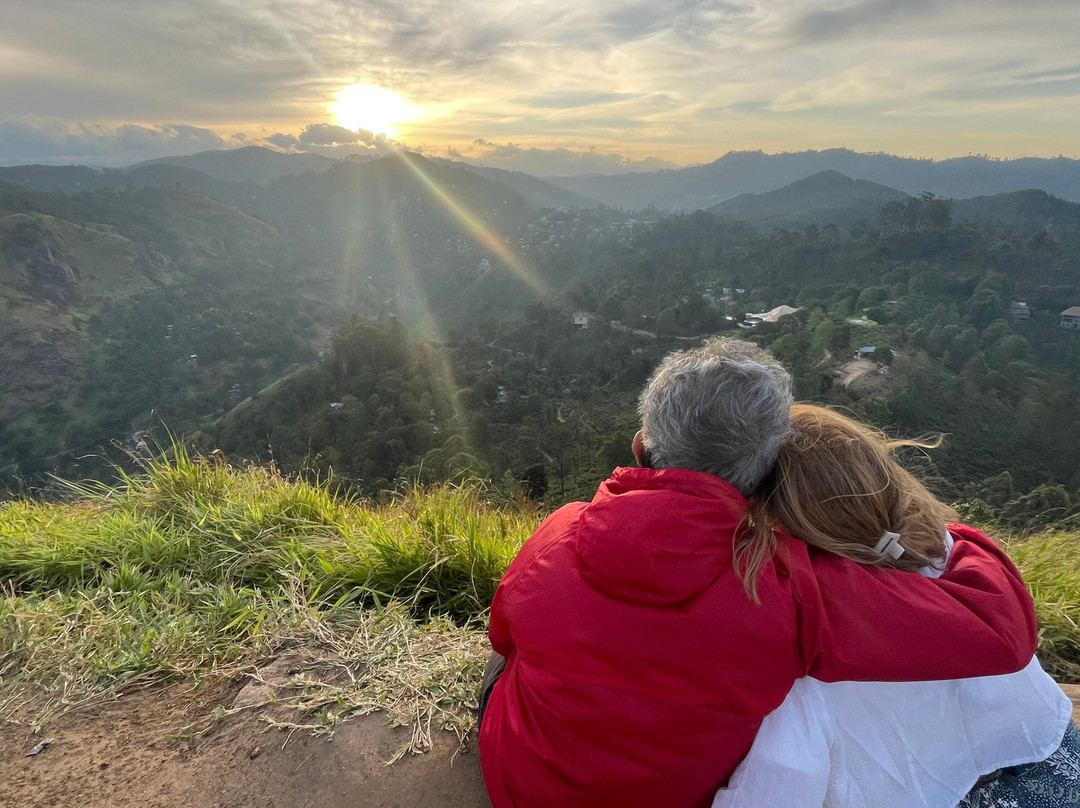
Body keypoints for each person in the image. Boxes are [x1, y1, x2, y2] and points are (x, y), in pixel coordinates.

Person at [478, 338, 1038, 808]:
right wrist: (946, 536)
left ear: (640, 445)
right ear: (771, 472)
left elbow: (501, 636)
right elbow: (1002, 633)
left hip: (518, 786)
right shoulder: (788, 588)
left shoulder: (559, 532)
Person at [713, 404, 1077, 808]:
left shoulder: (813, 642)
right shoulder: (952, 553)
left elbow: (776, 789)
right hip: (1058, 760)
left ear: (775, 522)